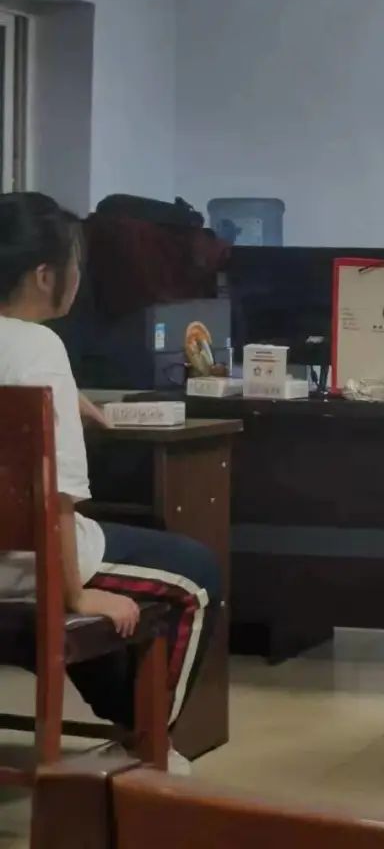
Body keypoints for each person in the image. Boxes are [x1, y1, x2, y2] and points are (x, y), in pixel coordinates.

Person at [0, 192, 221, 774]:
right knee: (196, 573)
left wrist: (65, 394)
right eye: (75, 262)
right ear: (44, 275)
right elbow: (57, 501)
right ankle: (145, 743)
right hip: (20, 567)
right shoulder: (41, 348)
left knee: (122, 559)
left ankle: (128, 723)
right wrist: (74, 597)